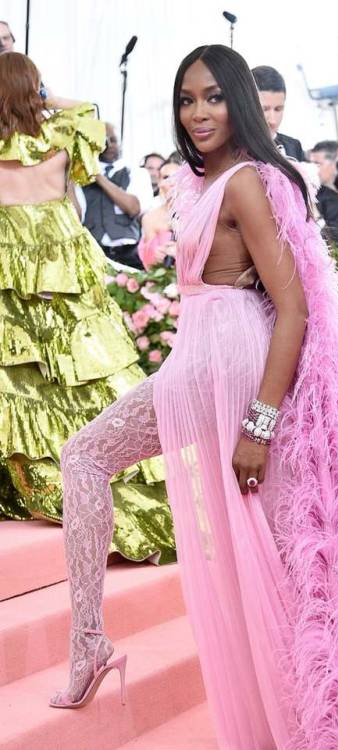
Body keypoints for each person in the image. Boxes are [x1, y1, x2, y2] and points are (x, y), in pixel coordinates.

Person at [49, 44, 338, 750]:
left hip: (228, 368)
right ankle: (93, 644)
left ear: (238, 101)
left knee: (287, 563)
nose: (197, 112)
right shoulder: (212, 180)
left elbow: (292, 306)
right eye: (186, 100)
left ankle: (97, 647)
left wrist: (259, 424)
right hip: (202, 358)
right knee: (274, 557)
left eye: (212, 97)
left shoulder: (248, 183)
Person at [0, 52, 174, 564]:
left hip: (9, 263)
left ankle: (42, 475)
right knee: (84, 372)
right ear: (36, 91)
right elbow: (92, 111)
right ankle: (99, 463)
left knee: (20, 376)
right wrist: (46, 96)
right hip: (62, 257)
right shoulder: (59, 139)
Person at [78, 123, 153, 269]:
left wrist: (99, 177)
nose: (110, 145)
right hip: (92, 252)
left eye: (114, 140)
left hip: (127, 252)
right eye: (104, 140)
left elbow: (133, 208)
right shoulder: (81, 175)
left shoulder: (135, 172)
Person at [252, 64, 305, 160]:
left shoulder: (293, 146)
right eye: (264, 109)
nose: (273, 121)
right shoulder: (232, 150)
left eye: (278, 109)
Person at [309, 140, 338, 246]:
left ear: (336, 163)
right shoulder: (312, 195)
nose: (312, 169)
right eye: (310, 164)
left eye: (317, 164)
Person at [139, 159, 181, 269]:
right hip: (161, 277)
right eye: (166, 177)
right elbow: (148, 261)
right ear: (159, 182)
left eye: (177, 177)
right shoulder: (149, 218)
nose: (172, 183)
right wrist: (157, 255)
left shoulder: (198, 214)